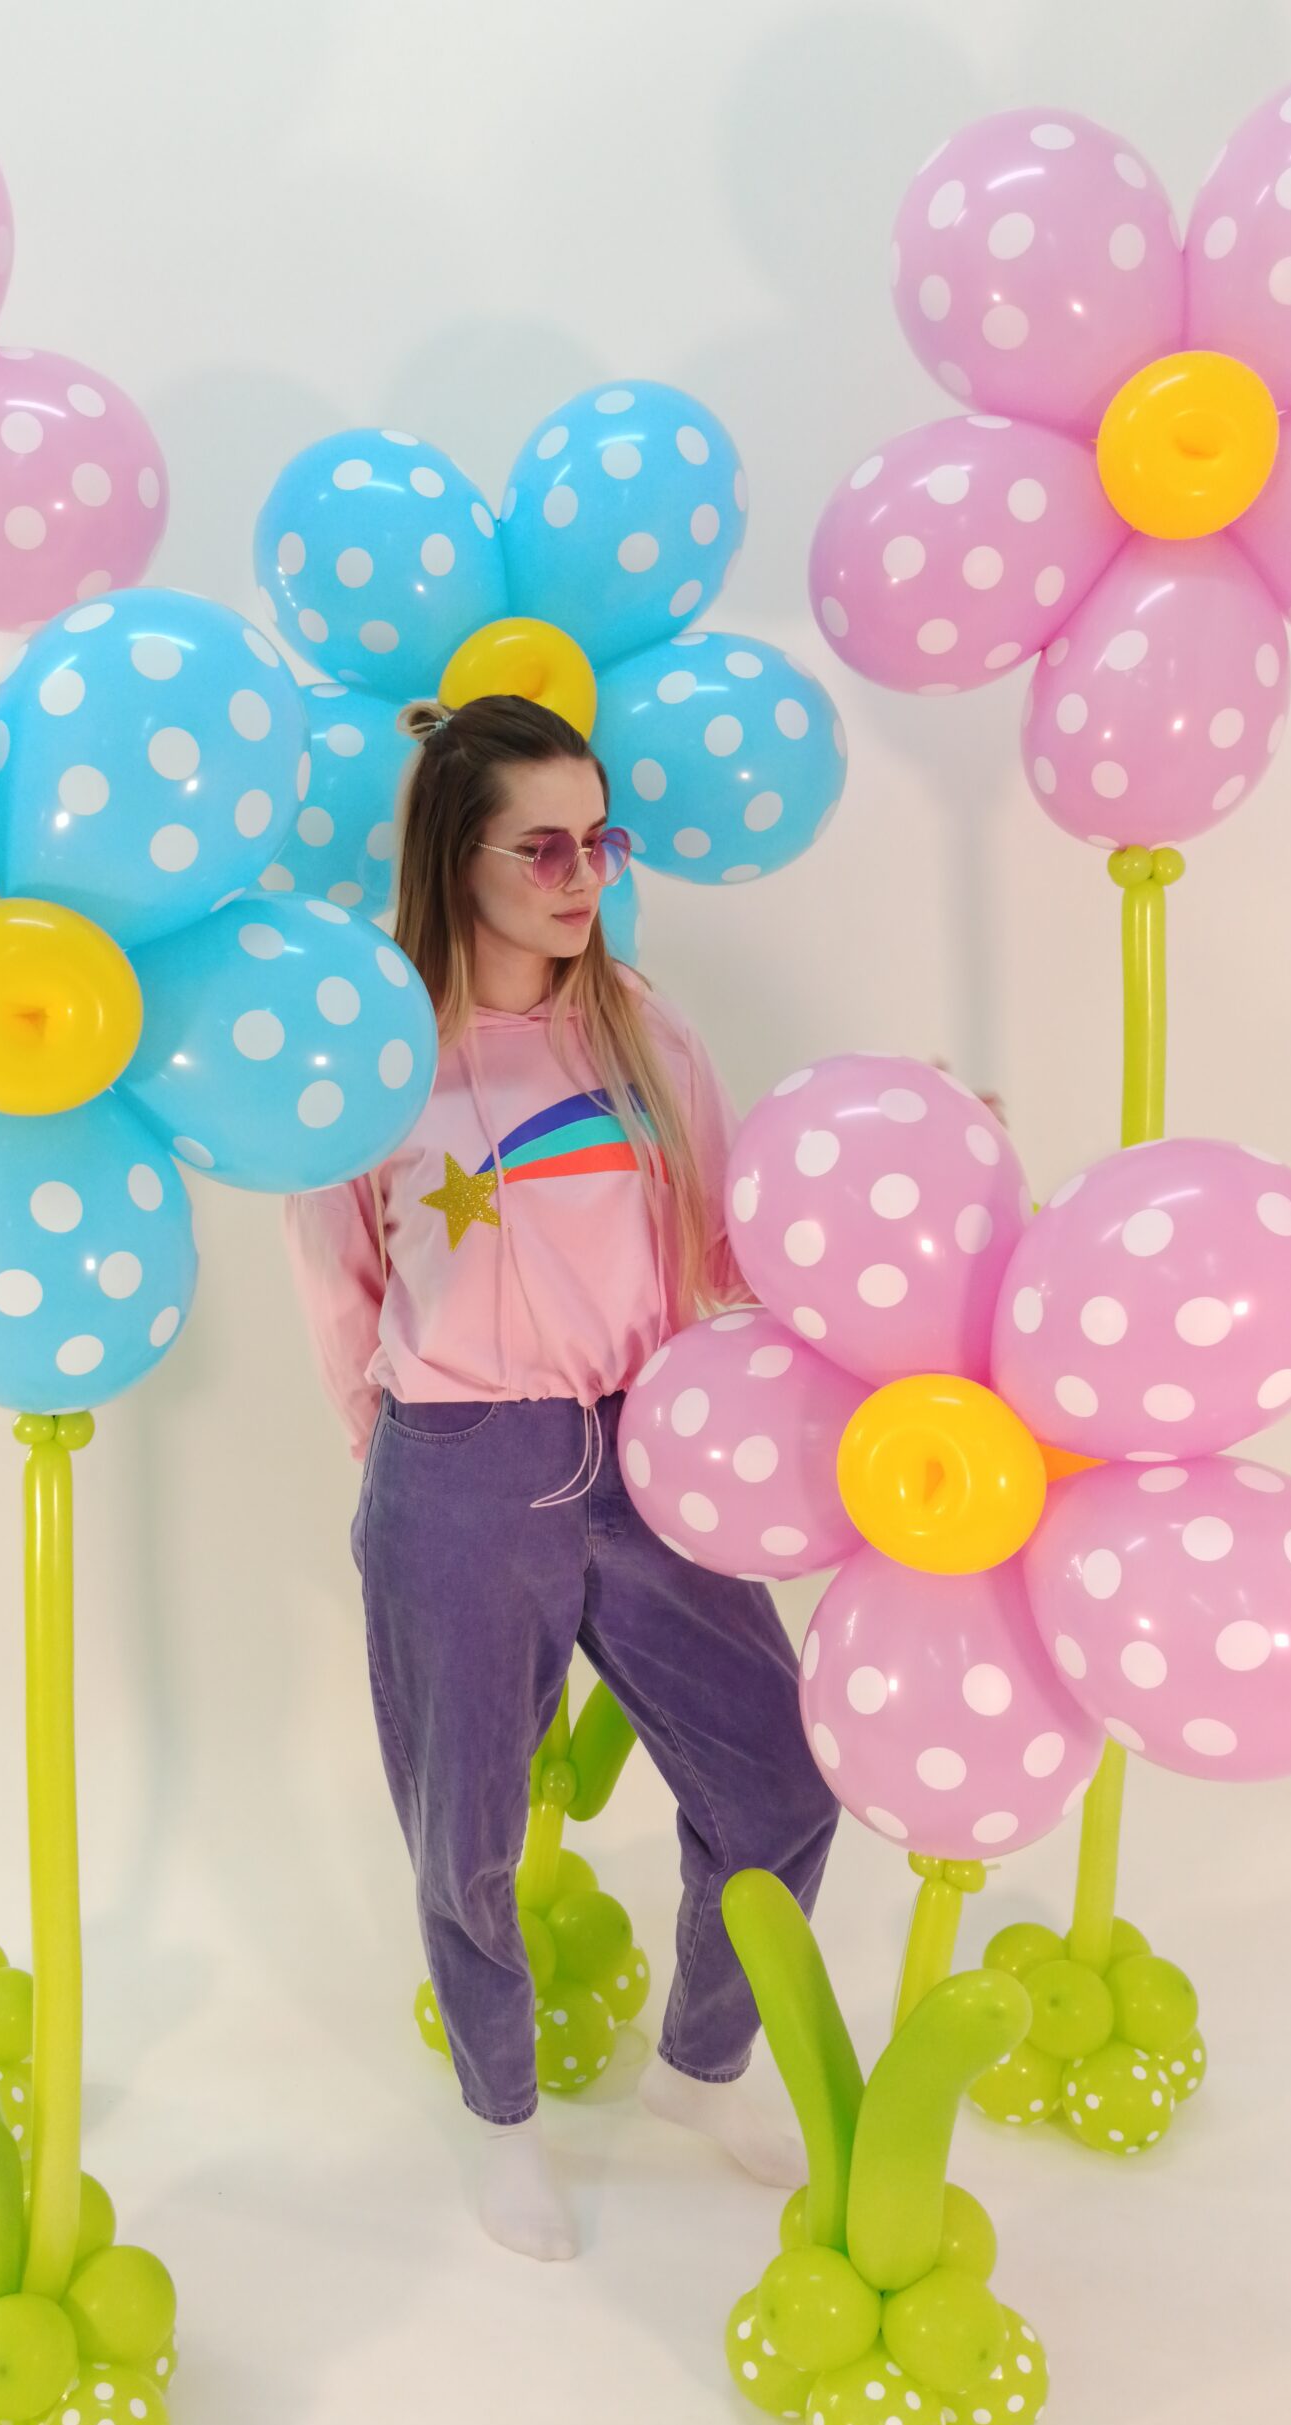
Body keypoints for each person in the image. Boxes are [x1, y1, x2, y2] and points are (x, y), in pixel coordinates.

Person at [285, 693, 837, 2260]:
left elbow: (722, 1248)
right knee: (461, 1831)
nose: (581, 874)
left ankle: (700, 2066)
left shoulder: (641, 1032)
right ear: (452, 858)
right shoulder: (378, 1062)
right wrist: (404, 1466)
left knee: (779, 1782)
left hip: (653, 1446)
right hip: (459, 1462)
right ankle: (501, 2117)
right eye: (542, 846)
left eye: (599, 840)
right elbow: (336, 1284)